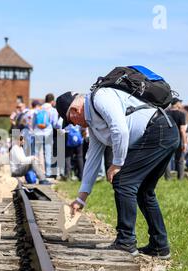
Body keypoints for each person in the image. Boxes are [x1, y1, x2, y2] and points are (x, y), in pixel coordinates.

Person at [56, 89, 179, 259]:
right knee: (144, 191)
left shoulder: (100, 98)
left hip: (159, 131)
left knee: (123, 181)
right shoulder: (94, 126)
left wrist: (117, 164)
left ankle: (125, 242)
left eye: (71, 120)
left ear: (75, 110)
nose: (75, 125)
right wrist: (80, 199)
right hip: (161, 133)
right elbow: (92, 159)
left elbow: (120, 130)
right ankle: (159, 246)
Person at [33, 96, 59, 178]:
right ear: (52, 101)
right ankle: (47, 173)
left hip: (37, 133)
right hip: (48, 133)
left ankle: (37, 173)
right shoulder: (53, 110)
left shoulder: (38, 109)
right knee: (48, 153)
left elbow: (34, 123)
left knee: (36, 154)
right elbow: (55, 124)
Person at [164, 98, 187, 180]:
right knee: (180, 160)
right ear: (177, 103)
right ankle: (180, 178)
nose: (181, 104)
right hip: (178, 139)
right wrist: (185, 143)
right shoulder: (181, 114)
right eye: (180, 102)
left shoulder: (165, 113)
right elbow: (182, 130)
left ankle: (168, 178)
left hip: (167, 139)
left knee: (167, 160)